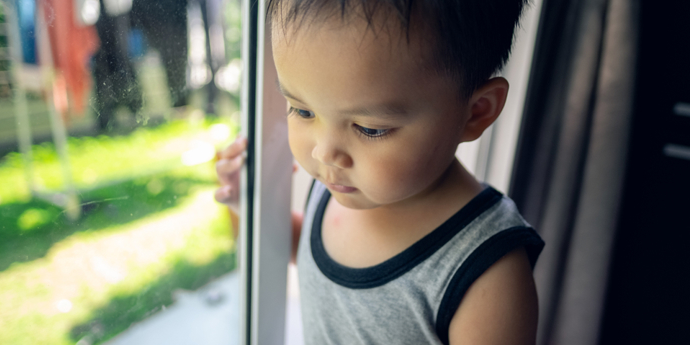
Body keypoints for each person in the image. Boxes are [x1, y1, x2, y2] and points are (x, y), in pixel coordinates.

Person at [215, 0, 545, 343]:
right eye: (302, 111)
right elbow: (309, 258)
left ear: (476, 112)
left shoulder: (487, 272)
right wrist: (249, 206)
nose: (324, 152)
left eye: (370, 129)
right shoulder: (342, 183)